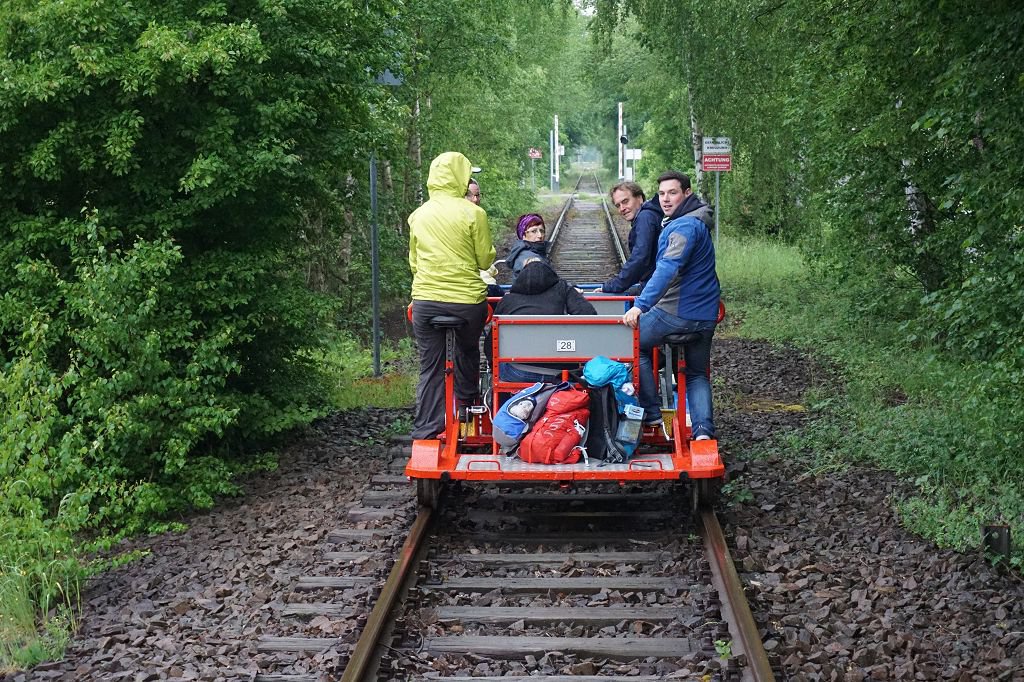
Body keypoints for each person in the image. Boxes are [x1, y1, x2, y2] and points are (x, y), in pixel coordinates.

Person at [622, 170, 720, 440]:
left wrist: (640, 305)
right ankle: (702, 432)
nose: (665, 199)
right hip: (706, 314)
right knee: (697, 374)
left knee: (632, 344)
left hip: (677, 312)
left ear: (687, 194)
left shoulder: (684, 227)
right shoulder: (697, 221)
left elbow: (667, 268)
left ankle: (652, 413)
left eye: (672, 193)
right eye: (662, 194)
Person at [408, 152, 496, 440]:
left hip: (425, 302)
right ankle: (467, 415)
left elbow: (414, 263)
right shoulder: (474, 213)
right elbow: (484, 260)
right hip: (466, 303)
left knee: (429, 366)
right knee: (467, 351)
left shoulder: (418, 215)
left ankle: (426, 429)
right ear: (459, 177)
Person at [488, 260, 596, 383]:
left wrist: (492, 365)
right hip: (562, 373)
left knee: (501, 363)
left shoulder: (507, 300)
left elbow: (491, 342)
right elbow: (589, 316)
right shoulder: (563, 289)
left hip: (519, 372)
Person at [598, 181, 664, 294]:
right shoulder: (648, 215)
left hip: (657, 287)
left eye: (625, 201)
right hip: (655, 283)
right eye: (618, 205)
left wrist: (614, 285)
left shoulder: (645, 218)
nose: (622, 208)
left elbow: (640, 258)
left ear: (639, 198)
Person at [506, 213, 552, 282]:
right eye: (534, 231)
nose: (540, 235)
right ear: (523, 235)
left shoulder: (527, 251)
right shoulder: (531, 260)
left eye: (542, 231)